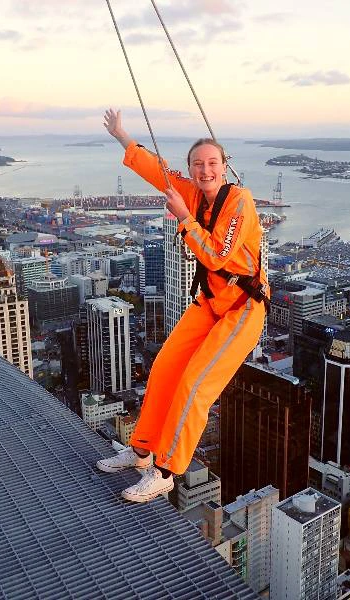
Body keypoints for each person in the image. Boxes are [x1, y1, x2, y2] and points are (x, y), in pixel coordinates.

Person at [96, 108, 269, 502]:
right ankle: (141, 450)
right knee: (164, 369)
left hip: (242, 309)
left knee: (194, 386)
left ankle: (166, 471)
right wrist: (122, 135)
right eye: (198, 164)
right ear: (191, 170)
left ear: (225, 167)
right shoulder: (190, 191)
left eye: (212, 163)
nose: (205, 170)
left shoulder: (240, 202)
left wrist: (186, 219)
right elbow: (156, 171)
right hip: (210, 302)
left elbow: (217, 257)